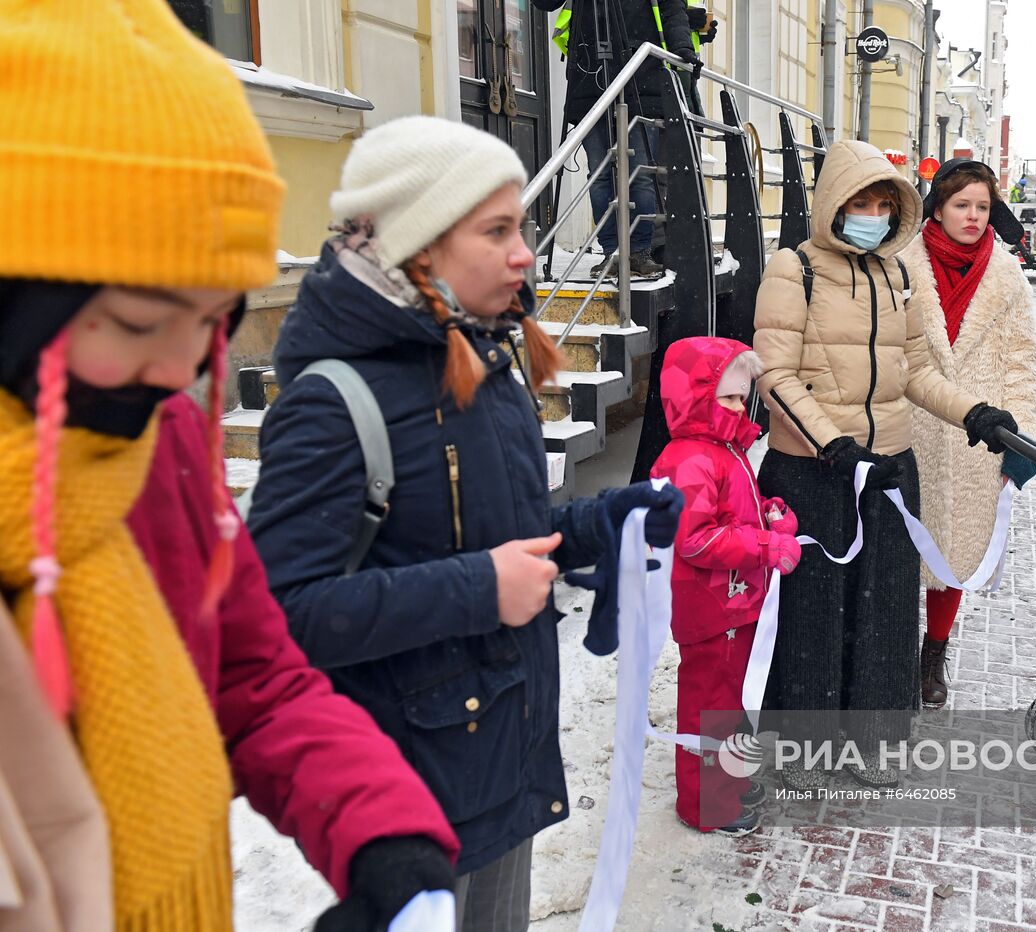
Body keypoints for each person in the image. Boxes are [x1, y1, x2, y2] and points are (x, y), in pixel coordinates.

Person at [0, 4, 466, 931]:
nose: (181, 371)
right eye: (139, 322)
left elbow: (253, 675)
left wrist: (386, 836)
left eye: (215, 321)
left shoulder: (154, 439)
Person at [245, 117, 685, 931]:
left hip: (497, 755)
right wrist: (479, 591)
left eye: (521, 226)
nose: (525, 252)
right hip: (408, 800)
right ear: (421, 246)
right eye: (498, 230)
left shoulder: (482, 358)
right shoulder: (332, 403)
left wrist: (602, 524)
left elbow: (508, 535)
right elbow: (279, 619)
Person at [752, 140, 1018, 790]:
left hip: (889, 472)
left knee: (885, 612)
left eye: (882, 203)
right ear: (834, 205)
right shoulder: (795, 269)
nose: (870, 213)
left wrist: (976, 413)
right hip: (813, 473)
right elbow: (774, 374)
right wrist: (829, 444)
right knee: (812, 612)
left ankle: (872, 742)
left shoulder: (898, 275)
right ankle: (803, 751)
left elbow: (919, 371)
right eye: (859, 202)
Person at [900, 159, 1036, 708]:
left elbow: (1021, 362)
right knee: (900, 550)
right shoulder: (901, 264)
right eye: (963, 204)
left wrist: (1022, 435)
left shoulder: (1007, 276)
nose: (974, 216)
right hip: (910, 426)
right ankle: (890, 651)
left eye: (983, 207)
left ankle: (933, 655)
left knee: (954, 553)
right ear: (938, 207)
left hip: (980, 433)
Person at [649, 337, 800, 836]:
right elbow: (693, 539)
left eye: (742, 397)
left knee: (732, 700)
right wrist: (763, 547)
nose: (740, 407)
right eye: (729, 398)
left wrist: (769, 514)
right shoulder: (689, 458)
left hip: (734, 602)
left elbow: (733, 511)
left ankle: (726, 783)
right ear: (696, 397)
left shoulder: (723, 449)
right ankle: (705, 804)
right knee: (709, 706)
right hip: (712, 609)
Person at [533, 0, 698, 280]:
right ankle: (611, 251)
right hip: (589, 79)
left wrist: (683, 51)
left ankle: (639, 251)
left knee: (640, 171)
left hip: (640, 77)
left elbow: (672, 9)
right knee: (599, 174)